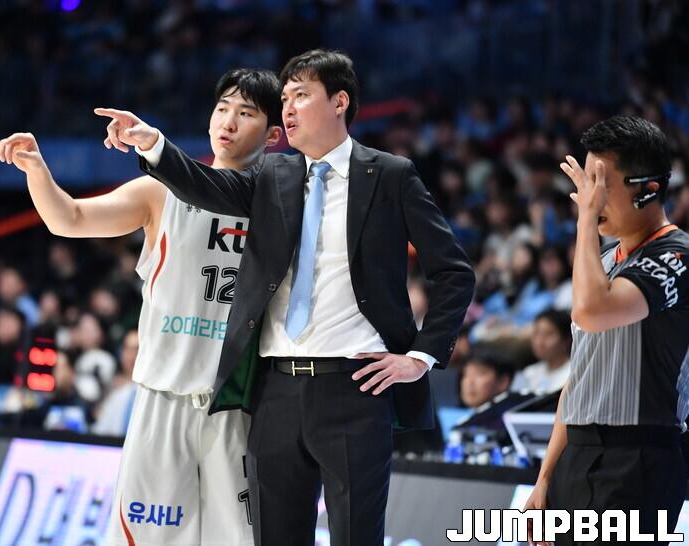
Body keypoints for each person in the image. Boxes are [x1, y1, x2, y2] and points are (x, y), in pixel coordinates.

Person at [97, 49, 475, 546]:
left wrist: (421, 357)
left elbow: (454, 272)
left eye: (301, 95)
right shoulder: (274, 175)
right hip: (274, 391)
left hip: (355, 387)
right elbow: (206, 186)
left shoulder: (389, 174)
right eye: (285, 99)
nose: (288, 108)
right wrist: (154, 145)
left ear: (339, 102)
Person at [0, 68, 282, 546]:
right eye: (222, 108)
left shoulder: (281, 207)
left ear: (273, 135)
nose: (228, 121)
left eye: (246, 113)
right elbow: (70, 218)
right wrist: (37, 170)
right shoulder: (161, 191)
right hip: (162, 399)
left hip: (239, 408)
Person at [525, 116, 689, 546]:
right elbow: (578, 379)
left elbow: (592, 312)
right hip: (577, 454)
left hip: (639, 458)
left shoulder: (678, 256)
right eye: (586, 183)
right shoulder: (601, 262)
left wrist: (585, 219)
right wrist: (545, 478)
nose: (588, 196)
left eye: (600, 184)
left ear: (648, 189)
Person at [511, 309, 571, 394]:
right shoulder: (529, 372)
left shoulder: (572, 374)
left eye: (548, 334)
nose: (539, 342)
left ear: (566, 340)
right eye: (536, 333)